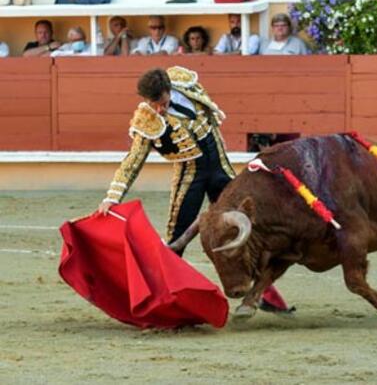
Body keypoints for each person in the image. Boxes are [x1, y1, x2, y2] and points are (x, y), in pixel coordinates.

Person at [98, 66, 292, 314]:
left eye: (162, 102)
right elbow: (133, 160)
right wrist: (112, 197)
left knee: (249, 230)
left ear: (170, 89)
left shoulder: (187, 85)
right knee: (176, 238)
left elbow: (211, 121)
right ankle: (164, 299)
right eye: (152, 103)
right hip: (191, 175)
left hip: (221, 168)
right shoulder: (146, 118)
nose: (158, 109)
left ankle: (264, 296)